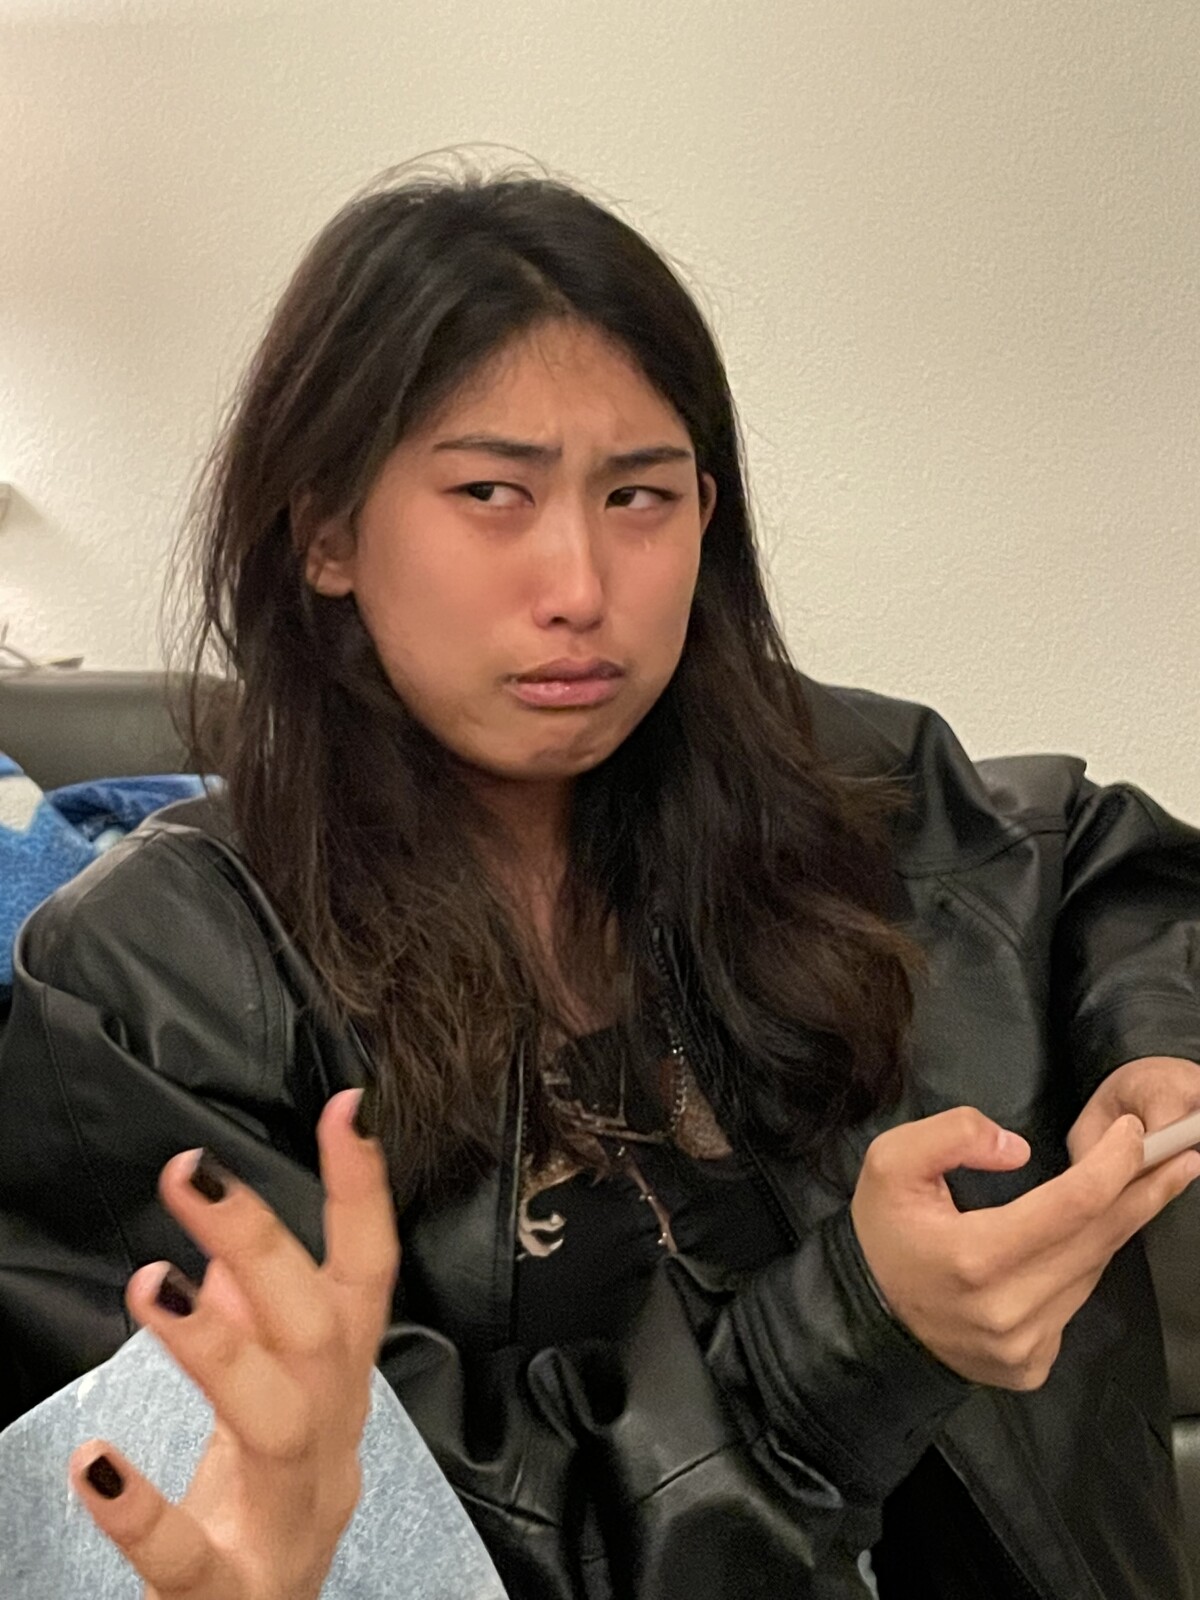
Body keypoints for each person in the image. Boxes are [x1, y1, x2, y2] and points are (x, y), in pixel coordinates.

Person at [1, 162, 1199, 1600]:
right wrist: (860, 1335)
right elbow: (408, 1556)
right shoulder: (145, 990)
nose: (579, 586)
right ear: (326, 532)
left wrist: (1159, 1047)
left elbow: (1100, 858)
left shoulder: (833, 782)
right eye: (492, 493)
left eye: (639, 495)